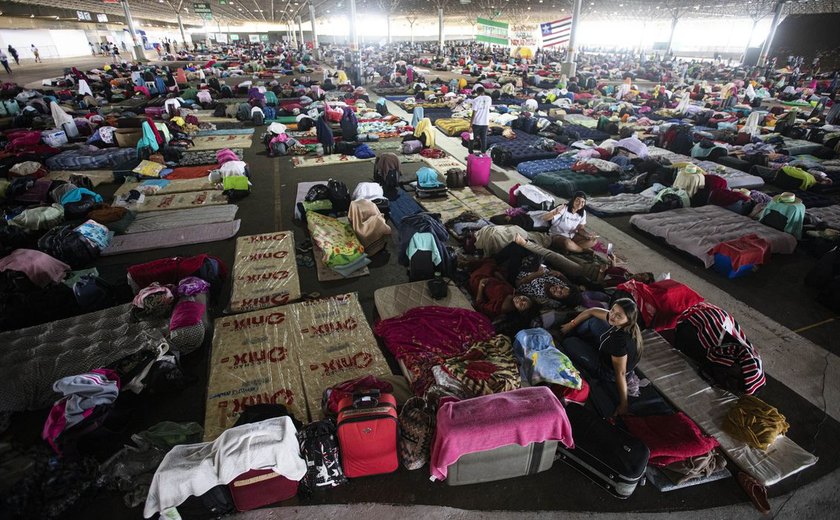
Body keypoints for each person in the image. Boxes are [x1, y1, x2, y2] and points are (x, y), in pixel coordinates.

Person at [559, 298, 643, 416]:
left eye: (618, 316)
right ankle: (579, 335)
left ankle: (579, 341)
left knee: (569, 342)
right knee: (593, 320)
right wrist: (571, 324)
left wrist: (623, 405)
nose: (612, 316)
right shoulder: (622, 323)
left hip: (607, 371)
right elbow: (592, 311)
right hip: (609, 349)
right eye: (612, 310)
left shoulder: (619, 341)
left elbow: (621, 373)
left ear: (628, 320)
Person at [465, 85, 491, 153]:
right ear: (483, 91)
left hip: (477, 123)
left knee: (472, 138)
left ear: (477, 92)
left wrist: (470, 125)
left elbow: (474, 113)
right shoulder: (489, 98)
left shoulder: (476, 100)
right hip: (485, 122)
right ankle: (483, 154)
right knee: (483, 139)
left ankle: (470, 153)